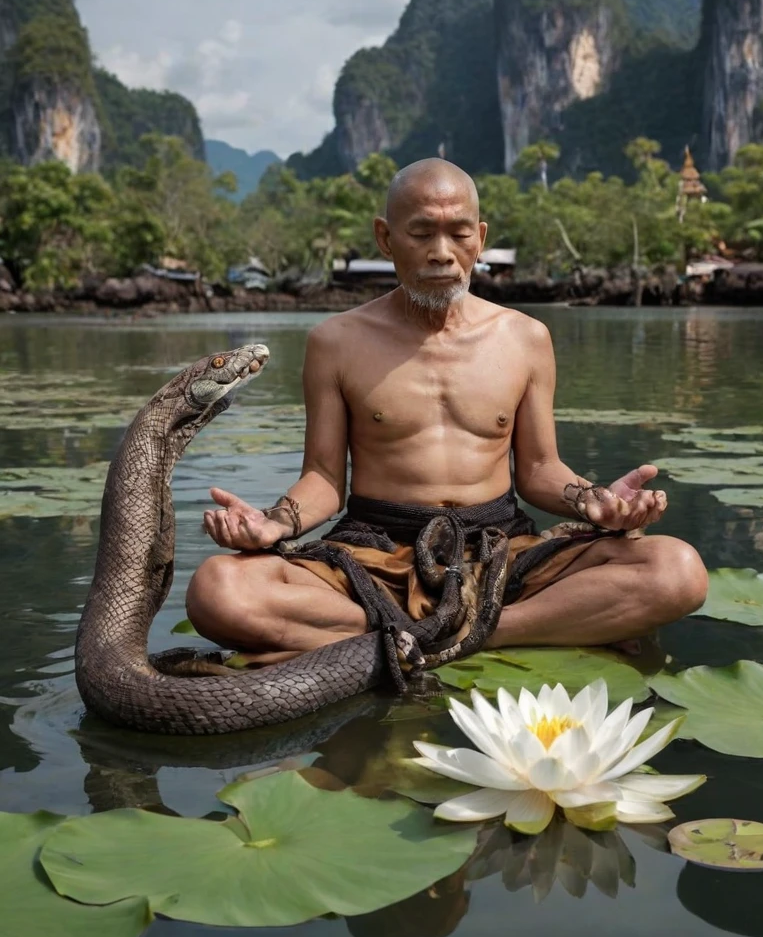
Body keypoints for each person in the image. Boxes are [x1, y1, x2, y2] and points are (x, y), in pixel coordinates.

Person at [186, 158, 707, 664]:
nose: (442, 253)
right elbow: (323, 477)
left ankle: (457, 635)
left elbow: (539, 471)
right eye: (420, 233)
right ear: (385, 239)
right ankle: (502, 628)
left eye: (458, 233)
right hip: (376, 551)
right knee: (219, 590)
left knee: (677, 571)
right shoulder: (335, 342)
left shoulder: (526, 338)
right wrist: (273, 523)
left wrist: (595, 502)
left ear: (479, 237)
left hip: (501, 545)